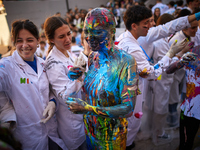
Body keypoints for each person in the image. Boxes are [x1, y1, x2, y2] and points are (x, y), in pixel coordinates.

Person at [116, 5, 190, 149]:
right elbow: (151, 73)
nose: (152, 25)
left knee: (134, 121)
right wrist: (171, 54)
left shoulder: (126, 37)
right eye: (147, 22)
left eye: (152, 20)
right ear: (134, 25)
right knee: (133, 124)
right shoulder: (133, 47)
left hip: (131, 90)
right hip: (132, 93)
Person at [66, 7, 139, 149]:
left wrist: (88, 109)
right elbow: (98, 87)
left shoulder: (126, 62)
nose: (90, 38)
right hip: (91, 131)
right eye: (87, 31)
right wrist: (79, 76)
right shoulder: (94, 57)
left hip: (112, 137)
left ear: (112, 32)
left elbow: (128, 108)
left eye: (98, 32)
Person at [0, 19, 67, 149]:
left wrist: (53, 101)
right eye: (19, 41)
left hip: (51, 132)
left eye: (29, 40)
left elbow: (50, 89)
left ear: (37, 41)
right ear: (14, 42)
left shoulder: (42, 64)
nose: (25, 45)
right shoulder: (7, 66)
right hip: (28, 136)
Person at [44, 16, 87, 150]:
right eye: (62, 36)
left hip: (82, 115)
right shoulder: (53, 63)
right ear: (51, 39)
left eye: (68, 34)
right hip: (71, 122)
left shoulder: (68, 53)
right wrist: (79, 77)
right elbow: (65, 97)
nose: (68, 39)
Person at [166, 49, 199, 150]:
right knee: (185, 143)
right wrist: (181, 62)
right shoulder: (193, 55)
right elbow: (168, 70)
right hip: (190, 109)